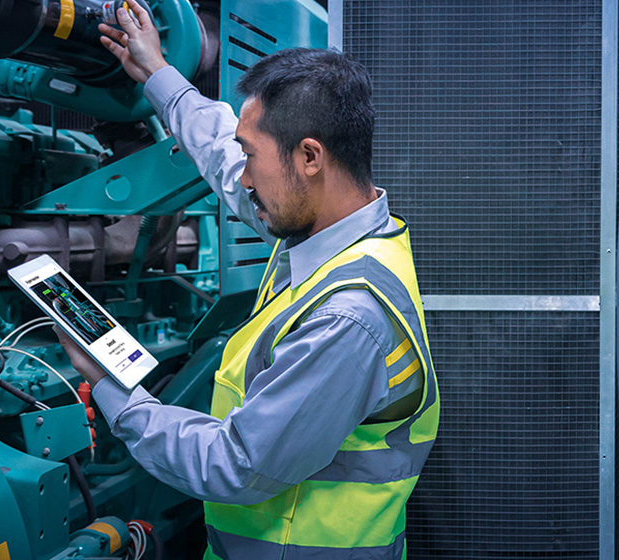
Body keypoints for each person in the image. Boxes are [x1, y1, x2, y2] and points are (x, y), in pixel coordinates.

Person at [54, 3, 440, 558]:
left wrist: (116, 394)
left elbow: (235, 465)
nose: (242, 175)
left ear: (310, 156)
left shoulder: (347, 320)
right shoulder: (339, 230)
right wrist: (159, 74)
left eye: (251, 154)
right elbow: (218, 151)